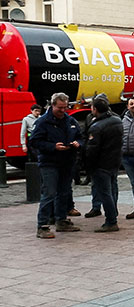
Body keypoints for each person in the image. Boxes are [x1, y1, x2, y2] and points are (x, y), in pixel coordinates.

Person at [31, 92, 84, 238]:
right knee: (49, 193)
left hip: (67, 162)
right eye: (60, 108)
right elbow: (34, 142)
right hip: (49, 163)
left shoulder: (70, 120)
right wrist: (53, 146)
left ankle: (61, 221)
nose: (63, 111)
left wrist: (77, 144)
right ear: (52, 105)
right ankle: (42, 225)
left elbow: (80, 137)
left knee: (64, 192)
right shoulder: (43, 122)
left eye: (65, 107)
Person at [85, 95, 123, 232]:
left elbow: (92, 150)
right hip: (114, 161)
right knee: (112, 190)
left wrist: (87, 166)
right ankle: (113, 215)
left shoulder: (97, 127)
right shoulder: (117, 120)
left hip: (101, 164)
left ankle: (111, 221)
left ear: (95, 109)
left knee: (105, 193)